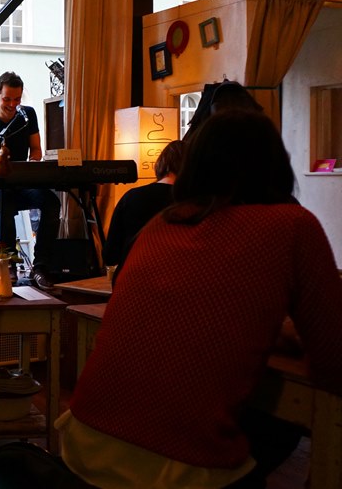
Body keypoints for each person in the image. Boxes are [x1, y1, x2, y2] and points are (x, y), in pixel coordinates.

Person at [57, 110, 342, 489]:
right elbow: (333, 354)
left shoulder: (162, 224)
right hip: (173, 472)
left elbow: (184, 310)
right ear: (276, 164)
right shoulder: (293, 226)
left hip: (82, 448)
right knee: (284, 429)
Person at [0, 71, 59, 290]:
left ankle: (41, 266)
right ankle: (9, 263)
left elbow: (36, 149)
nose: (13, 104)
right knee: (5, 200)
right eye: (7, 99)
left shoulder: (27, 115)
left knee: (52, 202)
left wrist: (33, 162)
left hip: (21, 182)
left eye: (17, 99)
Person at [101, 139, 185, 267]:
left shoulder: (131, 197)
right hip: (176, 272)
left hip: (133, 272)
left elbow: (110, 255)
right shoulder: (195, 203)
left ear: (162, 164)